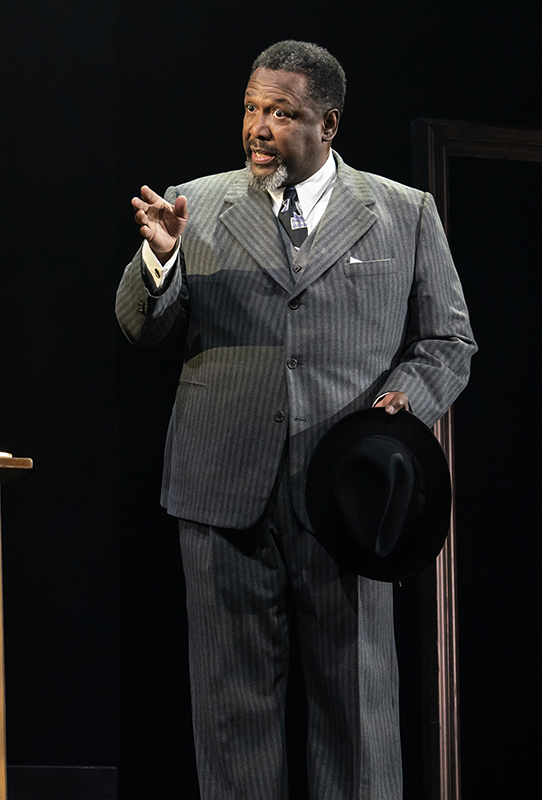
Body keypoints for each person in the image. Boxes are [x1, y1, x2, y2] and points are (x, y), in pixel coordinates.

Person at [115, 40, 476, 798]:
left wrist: (402, 404)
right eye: (250, 107)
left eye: (281, 113)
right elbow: (138, 327)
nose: (257, 126)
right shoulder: (193, 203)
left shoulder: (403, 212)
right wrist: (160, 263)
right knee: (231, 707)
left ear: (328, 123)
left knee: (356, 703)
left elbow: (448, 340)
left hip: (346, 492)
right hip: (222, 485)